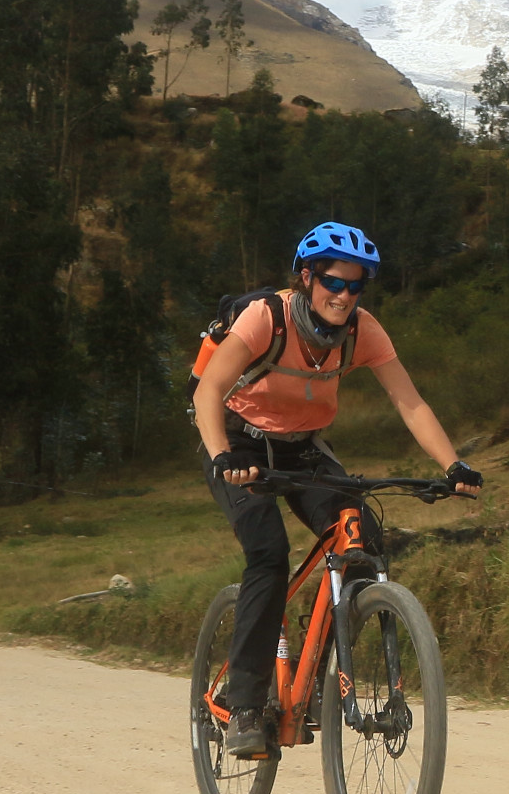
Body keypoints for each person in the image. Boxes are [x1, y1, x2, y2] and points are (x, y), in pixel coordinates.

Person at [193, 222, 480, 757]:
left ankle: (320, 677)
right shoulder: (267, 318)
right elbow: (210, 389)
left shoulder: (362, 330)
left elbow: (409, 402)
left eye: (355, 287)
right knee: (268, 553)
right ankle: (248, 704)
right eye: (333, 282)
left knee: (362, 539)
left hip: (303, 447)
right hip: (237, 442)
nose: (344, 296)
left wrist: (454, 464)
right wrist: (223, 457)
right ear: (307, 278)